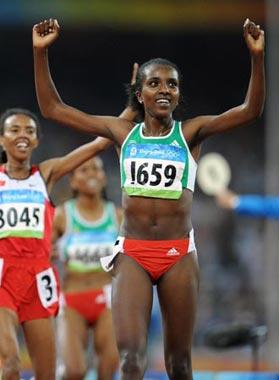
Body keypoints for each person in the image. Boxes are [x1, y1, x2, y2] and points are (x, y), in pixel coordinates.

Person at [33, 17, 265, 380]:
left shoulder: (191, 133)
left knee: (179, 364)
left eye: (171, 85)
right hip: (134, 253)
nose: (164, 90)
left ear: (177, 93)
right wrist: (40, 53)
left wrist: (256, 58)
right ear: (139, 94)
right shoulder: (123, 132)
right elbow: (54, 109)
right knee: (130, 361)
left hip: (178, 255)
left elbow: (250, 110)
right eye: (154, 82)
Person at [0, 108, 115, 380]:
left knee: (47, 375)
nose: (22, 135)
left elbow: (99, 144)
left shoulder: (45, 174)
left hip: (38, 279)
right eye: (14, 130)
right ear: (2, 139)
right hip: (3, 276)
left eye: (29, 130)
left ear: (37, 140)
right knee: (10, 366)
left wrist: (131, 108)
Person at [53, 156, 121, 380]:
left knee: (107, 369)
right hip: (73, 299)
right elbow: (41, 250)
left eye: (96, 169)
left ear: (104, 177)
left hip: (108, 298)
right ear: (72, 181)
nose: (91, 173)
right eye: (84, 170)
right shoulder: (62, 216)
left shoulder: (118, 216)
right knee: (74, 371)